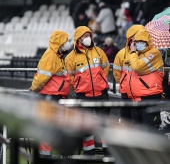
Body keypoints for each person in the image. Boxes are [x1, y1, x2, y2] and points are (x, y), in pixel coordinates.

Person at [65, 26, 110, 156]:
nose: (88, 38)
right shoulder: (71, 57)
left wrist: (100, 81)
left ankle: (107, 150)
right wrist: (79, 86)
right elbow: (70, 76)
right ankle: (89, 151)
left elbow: (106, 68)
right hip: (83, 95)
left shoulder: (99, 51)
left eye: (89, 35)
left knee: (104, 123)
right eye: (85, 36)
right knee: (86, 126)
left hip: (101, 93)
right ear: (78, 39)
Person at [30, 30, 71, 157]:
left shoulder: (56, 55)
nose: (67, 44)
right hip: (50, 96)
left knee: (56, 126)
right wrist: (33, 88)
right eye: (65, 41)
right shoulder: (51, 56)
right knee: (49, 127)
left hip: (55, 96)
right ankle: (45, 155)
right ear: (59, 43)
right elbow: (42, 78)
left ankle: (47, 154)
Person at [126, 29, 164, 128]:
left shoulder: (154, 53)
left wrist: (133, 52)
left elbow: (137, 67)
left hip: (149, 98)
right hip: (136, 99)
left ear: (147, 42)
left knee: (150, 130)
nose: (139, 44)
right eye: (137, 42)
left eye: (142, 42)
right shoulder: (136, 55)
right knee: (138, 133)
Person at [113, 24, 145, 122]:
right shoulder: (121, 54)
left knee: (140, 122)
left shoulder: (148, 53)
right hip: (126, 92)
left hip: (142, 92)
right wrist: (125, 83)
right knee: (126, 120)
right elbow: (116, 73)